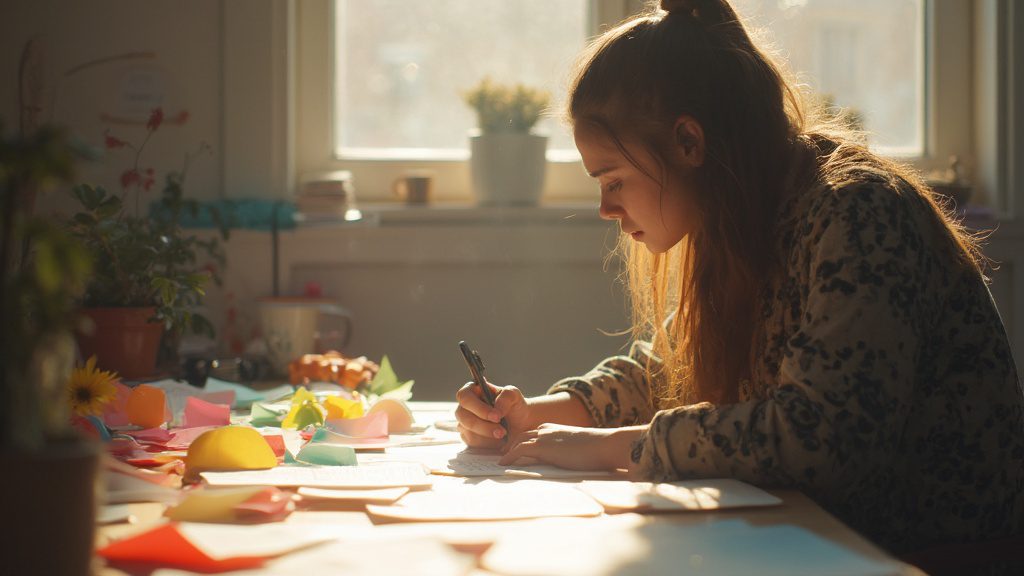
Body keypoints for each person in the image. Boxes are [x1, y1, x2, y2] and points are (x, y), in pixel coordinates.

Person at [454, 0, 1024, 565]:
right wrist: (540, 412)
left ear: (688, 143)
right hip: (832, 543)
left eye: (614, 180)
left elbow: (819, 440)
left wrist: (615, 449)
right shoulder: (748, 218)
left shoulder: (856, 213)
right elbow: (669, 366)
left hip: (936, 557)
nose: (605, 208)